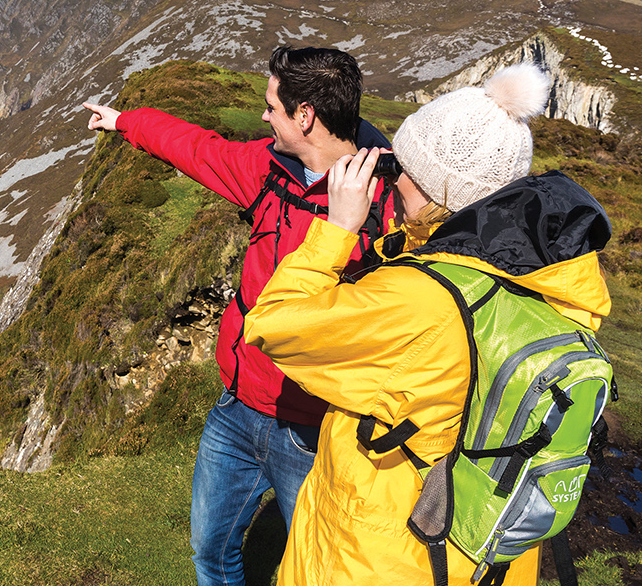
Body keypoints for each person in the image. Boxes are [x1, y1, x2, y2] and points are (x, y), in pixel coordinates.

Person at [242, 63, 612, 584]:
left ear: (434, 187)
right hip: (482, 551)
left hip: (386, 554)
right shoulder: (558, 279)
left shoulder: (419, 299)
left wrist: (338, 229)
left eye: (403, 169)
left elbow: (274, 324)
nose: (393, 180)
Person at [83, 46, 395, 586]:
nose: (264, 116)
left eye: (272, 106)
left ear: (306, 116)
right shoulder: (268, 169)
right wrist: (124, 121)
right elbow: (198, 150)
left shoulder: (388, 204)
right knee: (210, 551)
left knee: (322, 573)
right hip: (237, 407)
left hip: (316, 429)